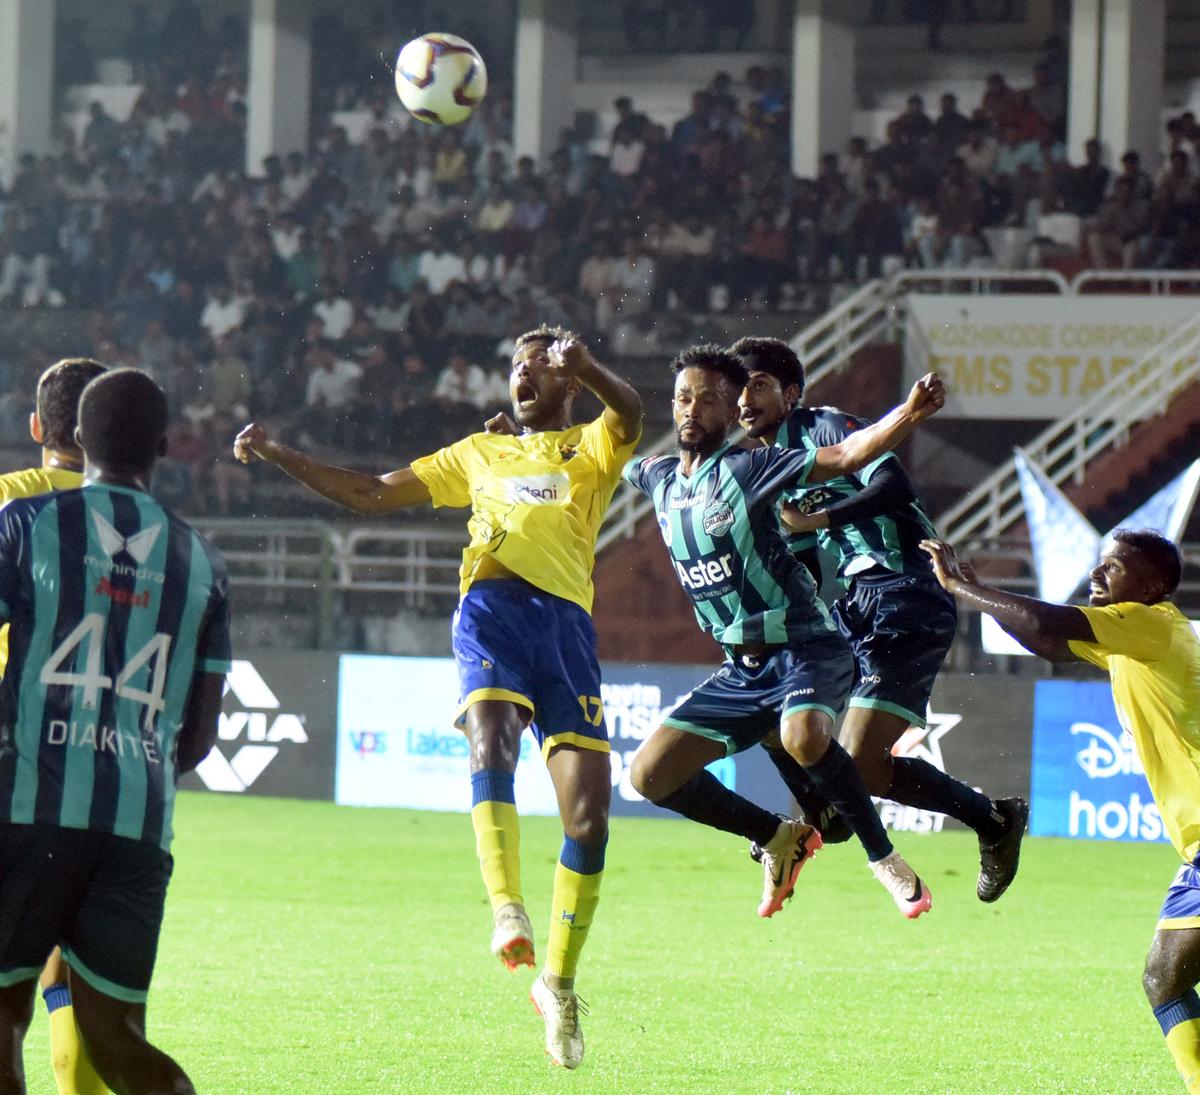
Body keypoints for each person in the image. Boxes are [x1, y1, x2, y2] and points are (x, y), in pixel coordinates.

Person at [233, 328, 642, 1071]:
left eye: (540, 368)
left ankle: (558, 981)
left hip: (569, 633)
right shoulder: (476, 453)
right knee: (491, 737)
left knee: (590, 815)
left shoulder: (592, 443)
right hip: (492, 609)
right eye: (515, 368)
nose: (522, 377)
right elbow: (370, 492)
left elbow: (634, 412)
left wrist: (590, 367)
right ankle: (507, 907)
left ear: (568, 384)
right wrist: (277, 450)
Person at [622, 345, 942, 922]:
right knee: (647, 774)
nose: (694, 409)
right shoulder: (659, 478)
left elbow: (845, 455)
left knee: (800, 736)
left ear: (729, 411)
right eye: (684, 398)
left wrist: (909, 413)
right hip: (742, 669)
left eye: (711, 399)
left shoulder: (753, 467)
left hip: (805, 649)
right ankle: (777, 837)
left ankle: (886, 860)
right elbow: (605, 446)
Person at [730, 336, 1027, 902]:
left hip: (908, 590)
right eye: (737, 389)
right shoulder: (766, 468)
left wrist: (818, 519)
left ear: (790, 395)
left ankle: (994, 821)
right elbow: (805, 561)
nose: (744, 400)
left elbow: (894, 484)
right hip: (855, 604)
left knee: (861, 763)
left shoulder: (824, 428)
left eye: (759, 385)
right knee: (773, 703)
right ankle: (822, 813)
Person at [0, 368, 230, 1095]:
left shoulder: (26, 522)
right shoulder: (201, 561)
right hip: (137, 828)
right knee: (116, 1038)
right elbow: (197, 736)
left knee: (3, 1017)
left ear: (68, 438)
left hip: (27, 811)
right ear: (164, 446)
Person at [919, 530, 1199, 1094]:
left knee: (1164, 978)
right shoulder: (1131, 636)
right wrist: (979, 593)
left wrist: (963, 588)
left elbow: (1049, 624)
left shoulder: (1152, 626)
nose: (1098, 576)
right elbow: (1046, 642)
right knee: (1162, 978)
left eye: (1113, 568)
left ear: (1152, 585)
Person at [0, 358, 109, 1095]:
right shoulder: (136, 514)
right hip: (104, 756)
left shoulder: (12, 500)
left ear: (38, 427)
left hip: (15, 749)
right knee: (72, 968)